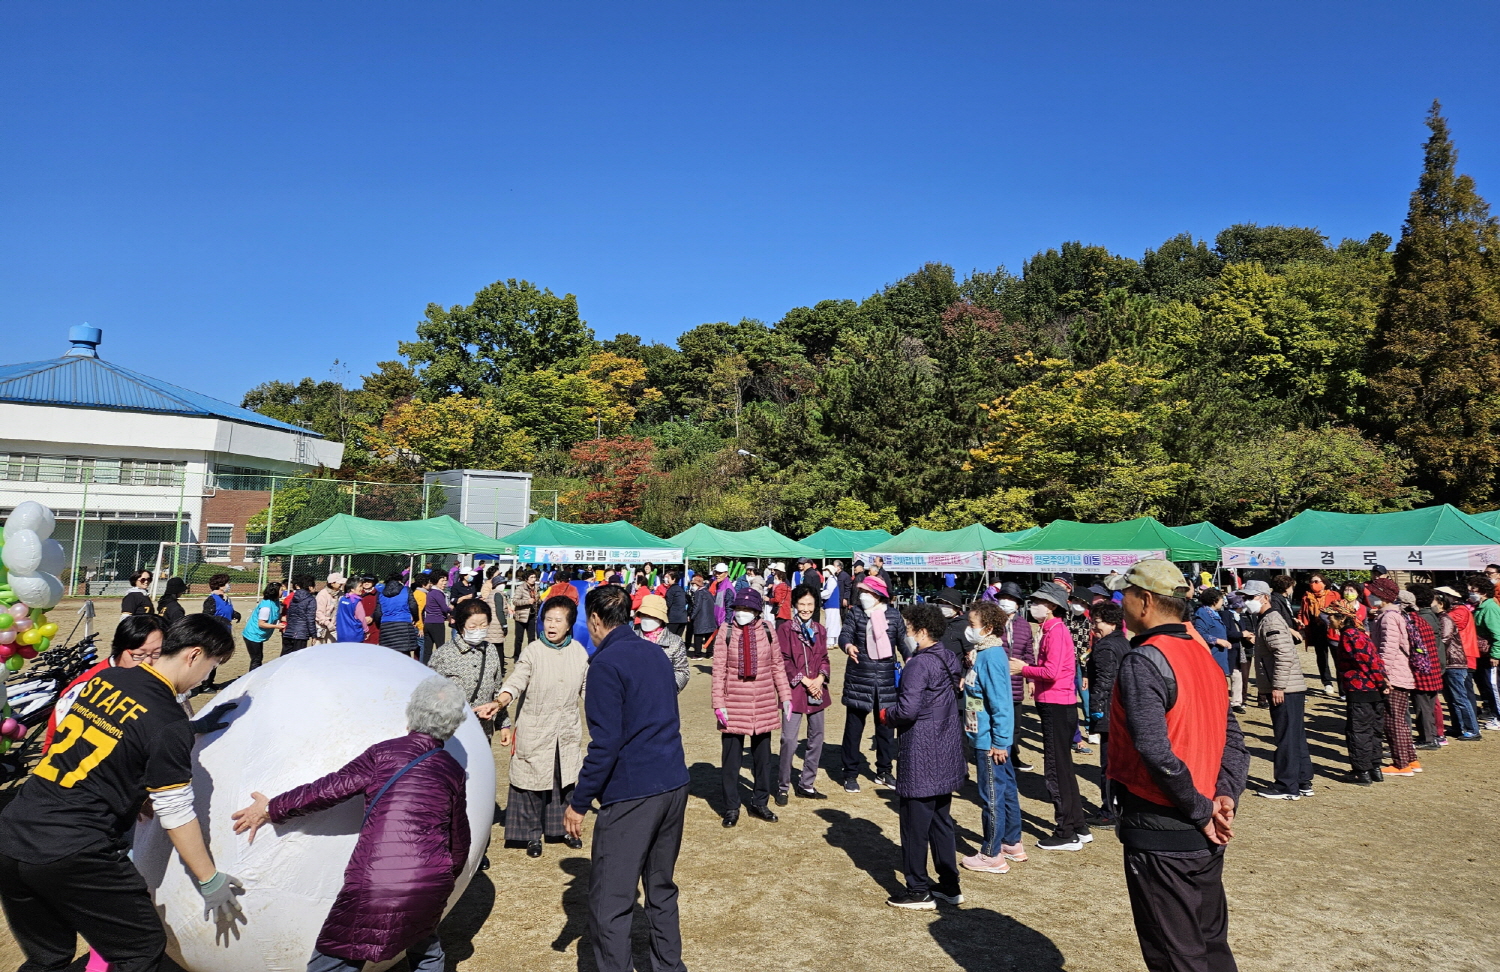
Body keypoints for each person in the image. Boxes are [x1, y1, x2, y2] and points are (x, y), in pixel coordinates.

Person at [0, 616, 243, 972]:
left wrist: (188, 729)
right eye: (212, 665)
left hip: (12, 833)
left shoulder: (106, 678)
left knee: (47, 958)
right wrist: (210, 879)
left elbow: (115, 735)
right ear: (194, 655)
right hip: (74, 849)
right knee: (141, 951)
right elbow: (175, 812)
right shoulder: (166, 721)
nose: (206, 676)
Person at [232, 676, 470, 972]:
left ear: (412, 712)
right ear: (453, 723)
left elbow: (327, 790)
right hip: (430, 880)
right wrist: (444, 878)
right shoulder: (453, 770)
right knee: (426, 950)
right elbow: (459, 839)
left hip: (377, 881)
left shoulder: (384, 753)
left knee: (335, 959)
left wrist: (270, 808)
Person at [1105, 560, 1248, 972]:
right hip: (1200, 824)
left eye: (1124, 596)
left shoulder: (1146, 659)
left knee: (1176, 955)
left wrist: (1207, 808)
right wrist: (1223, 795)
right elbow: (1233, 741)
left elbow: (1155, 750)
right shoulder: (1201, 652)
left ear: (1145, 601)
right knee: (1209, 945)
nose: (1122, 605)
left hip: (1164, 827)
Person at [564, 585, 690, 972]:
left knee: (611, 902)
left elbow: (605, 745)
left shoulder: (605, 664)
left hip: (634, 791)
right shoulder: (656, 652)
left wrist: (579, 803)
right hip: (673, 782)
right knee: (661, 889)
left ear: (596, 620)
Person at [880, 603, 964, 909]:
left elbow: (907, 710)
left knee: (914, 825)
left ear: (923, 631)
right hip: (945, 747)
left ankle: (917, 888)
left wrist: (886, 714)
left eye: (910, 627)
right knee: (941, 820)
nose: (907, 632)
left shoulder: (919, 664)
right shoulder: (947, 657)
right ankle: (949, 884)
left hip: (922, 750)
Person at [496, 595, 589, 857]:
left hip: (566, 731)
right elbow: (517, 679)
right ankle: (530, 836)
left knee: (564, 782)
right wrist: (501, 700)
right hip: (536, 729)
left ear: (569, 624)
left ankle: (564, 831)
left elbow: (589, 691)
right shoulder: (533, 650)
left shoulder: (579, 653)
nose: (552, 625)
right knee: (531, 784)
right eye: (548, 619)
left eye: (558, 620)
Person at [712, 588, 791, 826]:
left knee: (763, 759)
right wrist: (718, 703)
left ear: (757, 611)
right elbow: (718, 670)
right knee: (731, 761)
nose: (742, 613)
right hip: (733, 702)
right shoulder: (725, 632)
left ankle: (760, 801)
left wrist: (785, 695)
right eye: (738, 608)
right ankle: (731, 806)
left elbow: (777, 664)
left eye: (747, 609)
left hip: (763, 701)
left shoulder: (768, 630)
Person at [1020, 581, 1086, 849]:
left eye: (1039, 601)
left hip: (1057, 705)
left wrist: (1023, 669)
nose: (1033, 605)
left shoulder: (1056, 631)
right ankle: (1078, 825)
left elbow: (1051, 672)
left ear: (1051, 607)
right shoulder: (1048, 630)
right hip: (1055, 703)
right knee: (1062, 769)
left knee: (1056, 771)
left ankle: (1065, 831)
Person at [43, 613, 169, 752]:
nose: (148, 662)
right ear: (120, 649)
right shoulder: (88, 686)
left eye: (157, 654)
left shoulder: (158, 679)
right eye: (139, 655)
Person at [959, 600, 1022, 875]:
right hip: (982, 734)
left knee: (992, 795)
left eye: (972, 625)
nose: (968, 630)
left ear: (988, 627)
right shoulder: (983, 653)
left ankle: (991, 853)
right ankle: (1011, 841)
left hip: (989, 741)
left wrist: (1000, 741)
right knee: (1005, 788)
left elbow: (1001, 703)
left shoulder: (993, 656)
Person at [838, 573, 909, 793]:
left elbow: (903, 643)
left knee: (886, 730)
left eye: (868, 592)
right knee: (854, 728)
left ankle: (884, 771)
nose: (864, 596)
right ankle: (850, 773)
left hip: (887, 680)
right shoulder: (856, 613)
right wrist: (848, 646)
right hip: (860, 677)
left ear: (879, 595)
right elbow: (845, 635)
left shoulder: (894, 616)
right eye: (862, 592)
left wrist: (913, 660)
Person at [1247, 581, 1312, 800]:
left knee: (1286, 737)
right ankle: (1303, 781)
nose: (1247, 602)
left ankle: (1286, 785)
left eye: (1251, 597)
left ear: (1264, 597)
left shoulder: (1271, 620)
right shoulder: (1268, 619)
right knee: (1295, 736)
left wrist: (1277, 686)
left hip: (1286, 689)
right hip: (1290, 687)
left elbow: (1283, 655)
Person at [775, 584, 830, 804]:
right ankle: (783, 786)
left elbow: (824, 658)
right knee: (789, 739)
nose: (806, 608)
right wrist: (805, 680)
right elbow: (783, 660)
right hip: (794, 691)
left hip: (817, 690)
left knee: (817, 738)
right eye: (802, 604)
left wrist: (820, 678)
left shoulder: (820, 630)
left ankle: (807, 784)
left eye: (810, 604)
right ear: (795, 605)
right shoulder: (786, 629)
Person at [1326, 599, 1389, 784]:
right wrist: (1383, 680)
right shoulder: (1359, 634)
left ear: (1341, 618)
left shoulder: (1350, 636)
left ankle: (1362, 771)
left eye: (1331, 616)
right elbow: (1376, 660)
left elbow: (1366, 661)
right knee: (1374, 730)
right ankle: (1375, 768)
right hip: (1373, 688)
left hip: (1361, 688)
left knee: (1359, 730)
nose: (1328, 620)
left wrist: (1382, 681)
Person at [428, 599, 507, 738]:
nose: (479, 630)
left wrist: (503, 724)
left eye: (483, 625)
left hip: (483, 731)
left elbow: (497, 689)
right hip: (452, 733)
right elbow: (429, 694)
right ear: (461, 625)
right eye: (472, 626)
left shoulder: (491, 650)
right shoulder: (443, 655)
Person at [1367, 577, 1420, 776]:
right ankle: (1410, 759)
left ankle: (1401, 763)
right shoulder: (1394, 614)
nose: (1370, 597)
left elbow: (1387, 648)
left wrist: (1382, 674)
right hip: (1400, 672)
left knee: (1393, 720)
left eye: (1373, 593)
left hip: (1394, 674)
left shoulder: (1388, 617)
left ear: (1382, 595)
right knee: (1400, 719)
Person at [1084, 600, 1127, 828]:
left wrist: (1096, 712)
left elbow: (1104, 682)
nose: (1094, 627)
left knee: (1109, 765)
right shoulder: (1123, 643)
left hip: (1110, 713)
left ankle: (1109, 811)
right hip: (1123, 711)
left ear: (1111, 623)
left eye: (1097, 622)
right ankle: (1120, 807)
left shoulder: (1106, 647)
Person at [1404, 585, 1445, 750]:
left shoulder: (1420, 619)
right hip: (1434, 666)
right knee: (1429, 704)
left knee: (1423, 705)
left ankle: (1428, 738)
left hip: (1424, 668)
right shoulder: (1431, 616)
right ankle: (1433, 735)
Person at [634, 594, 690, 693]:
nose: (647, 619)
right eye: (644, 615)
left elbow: (682, 671)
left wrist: (668, 689)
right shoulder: (631, 638)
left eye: (651, 616)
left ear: (660, 618)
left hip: (663, 697)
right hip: (633, 696)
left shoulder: (675, 642)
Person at [1298, 573, 1340, 697]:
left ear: (1324, 582)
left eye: (1317, 581)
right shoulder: (1306, 597)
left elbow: (1340, 611)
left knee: (1337, 657)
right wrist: (1301, 626)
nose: (1314, 584)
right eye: (1311, 582)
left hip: (1332, 629)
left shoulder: (1334, 595)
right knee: (1321, 657)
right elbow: (1302, 612)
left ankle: (1342, 685)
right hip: (1316, 630)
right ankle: (1327, 682)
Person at [371, 572, 421, 658]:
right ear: (399, 581)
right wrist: (415, 619)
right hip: (404, 624)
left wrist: (380, 625)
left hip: (386, 626)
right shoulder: (406, 590)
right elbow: (413, 606)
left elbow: (378, 612)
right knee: (405, 653)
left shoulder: (382, 593)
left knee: (389, 654)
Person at [241, 581, 286, 671]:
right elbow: (261, 623)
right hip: (252, 635)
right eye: (281, 590)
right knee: (256, 659)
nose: (283, 592)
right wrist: (277, 626)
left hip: (259, 635)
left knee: (259, 657)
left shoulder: (276, 602)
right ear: (275, 591)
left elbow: (277, 615)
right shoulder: (266, 606)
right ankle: (253, 679)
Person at [1193, 589, 1232, 679]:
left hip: (1219, 656)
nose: (1223, 602)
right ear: (1215, 601)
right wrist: (1217, 640)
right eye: (1221, 599)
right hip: (1212, 656)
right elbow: (1200, 633)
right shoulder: (1202, 614)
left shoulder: (1214, 614)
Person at [281, 573, 317, 654]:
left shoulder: (293, 597)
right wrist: (314, 635)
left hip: (288, 633)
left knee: (284, 658)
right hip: (301, 634)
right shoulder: (310, 599)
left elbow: (289, 614)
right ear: (310, 587)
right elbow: (310, 619)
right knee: (296, 658)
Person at [421, 571, 452, 663]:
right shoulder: (438, 593)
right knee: (441, 647)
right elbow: (445, 608)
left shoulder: (430, 592)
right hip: (437, 623)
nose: (445, 583)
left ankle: (425, 667)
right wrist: (454, 610)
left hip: (428, 623)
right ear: (435, 581)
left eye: (446, 580)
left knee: (427, 650)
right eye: (442, 580)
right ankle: (440, 667)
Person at [511, 570, 539, 661]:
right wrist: (527, 601)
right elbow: (515, 601)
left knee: (531, 638)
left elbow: (537, 600)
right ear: (526, 579)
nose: (533, 579)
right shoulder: (520, 588)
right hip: (521, 616)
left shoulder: (536, 588)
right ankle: (517, 656)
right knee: (519, 638)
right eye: (531, 577)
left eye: (534, 577)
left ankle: (531, 656)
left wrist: (539, 600)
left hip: (532, 615)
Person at [688, 572, 716, 658]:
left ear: (697, 584)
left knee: (698, 637)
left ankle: (698, 654)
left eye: (693, 584)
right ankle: (709, 653)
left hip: (700, 618)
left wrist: (692, 616)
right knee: (709, 636)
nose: (692, 586)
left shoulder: (698, 593)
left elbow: (697, 606)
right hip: (710, 618)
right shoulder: (708, 592)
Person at [312, 573, 343, 645]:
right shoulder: (323, 594)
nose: (341, 584)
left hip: (334, 628)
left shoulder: (341, 594)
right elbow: (318, 612)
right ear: (332, 583)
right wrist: (327, 623)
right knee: (318, 647)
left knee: (332, 648)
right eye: (339, 582)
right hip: (321, 627)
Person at [821, 561, 845, 650]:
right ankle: (835, 641)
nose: (824, 572)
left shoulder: (831, 580)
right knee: (835, 623)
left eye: (826, 570)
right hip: (834, 605)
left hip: (831, 604)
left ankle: (830, 642)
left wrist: (819, 595)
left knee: (830, 623)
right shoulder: (834, 579)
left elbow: (828, 592)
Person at [664, 569, 690, 639]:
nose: (666, 580)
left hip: (674, 618)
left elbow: (668, 604)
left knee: (670, 638)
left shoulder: (671, 590)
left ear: (674, 579)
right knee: (678, 639)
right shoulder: (681, 589)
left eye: (668, 578)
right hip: (683, 618)